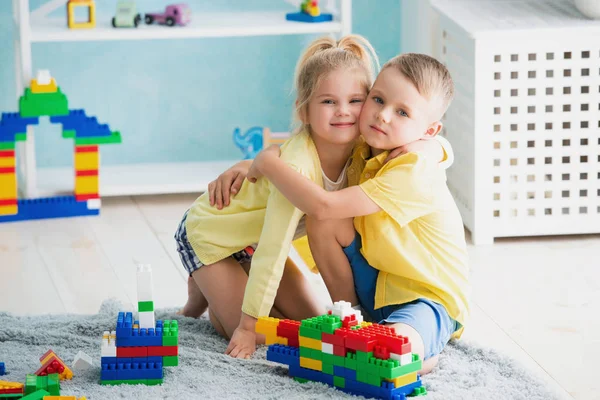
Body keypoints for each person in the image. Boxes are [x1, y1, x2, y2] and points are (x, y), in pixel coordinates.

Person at [246, 53, 470, 373]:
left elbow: (323, 202)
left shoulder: (414, 168)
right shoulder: (367, 146)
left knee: (389, 353)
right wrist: (245, 168)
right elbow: (305, 155)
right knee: (324, 222)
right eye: (377, 99)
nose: (383, 116)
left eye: (403, 112)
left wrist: (267, 163)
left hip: (425, 299)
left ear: (429, 131)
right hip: (377, 286)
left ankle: (424, 355)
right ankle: (350, 317)